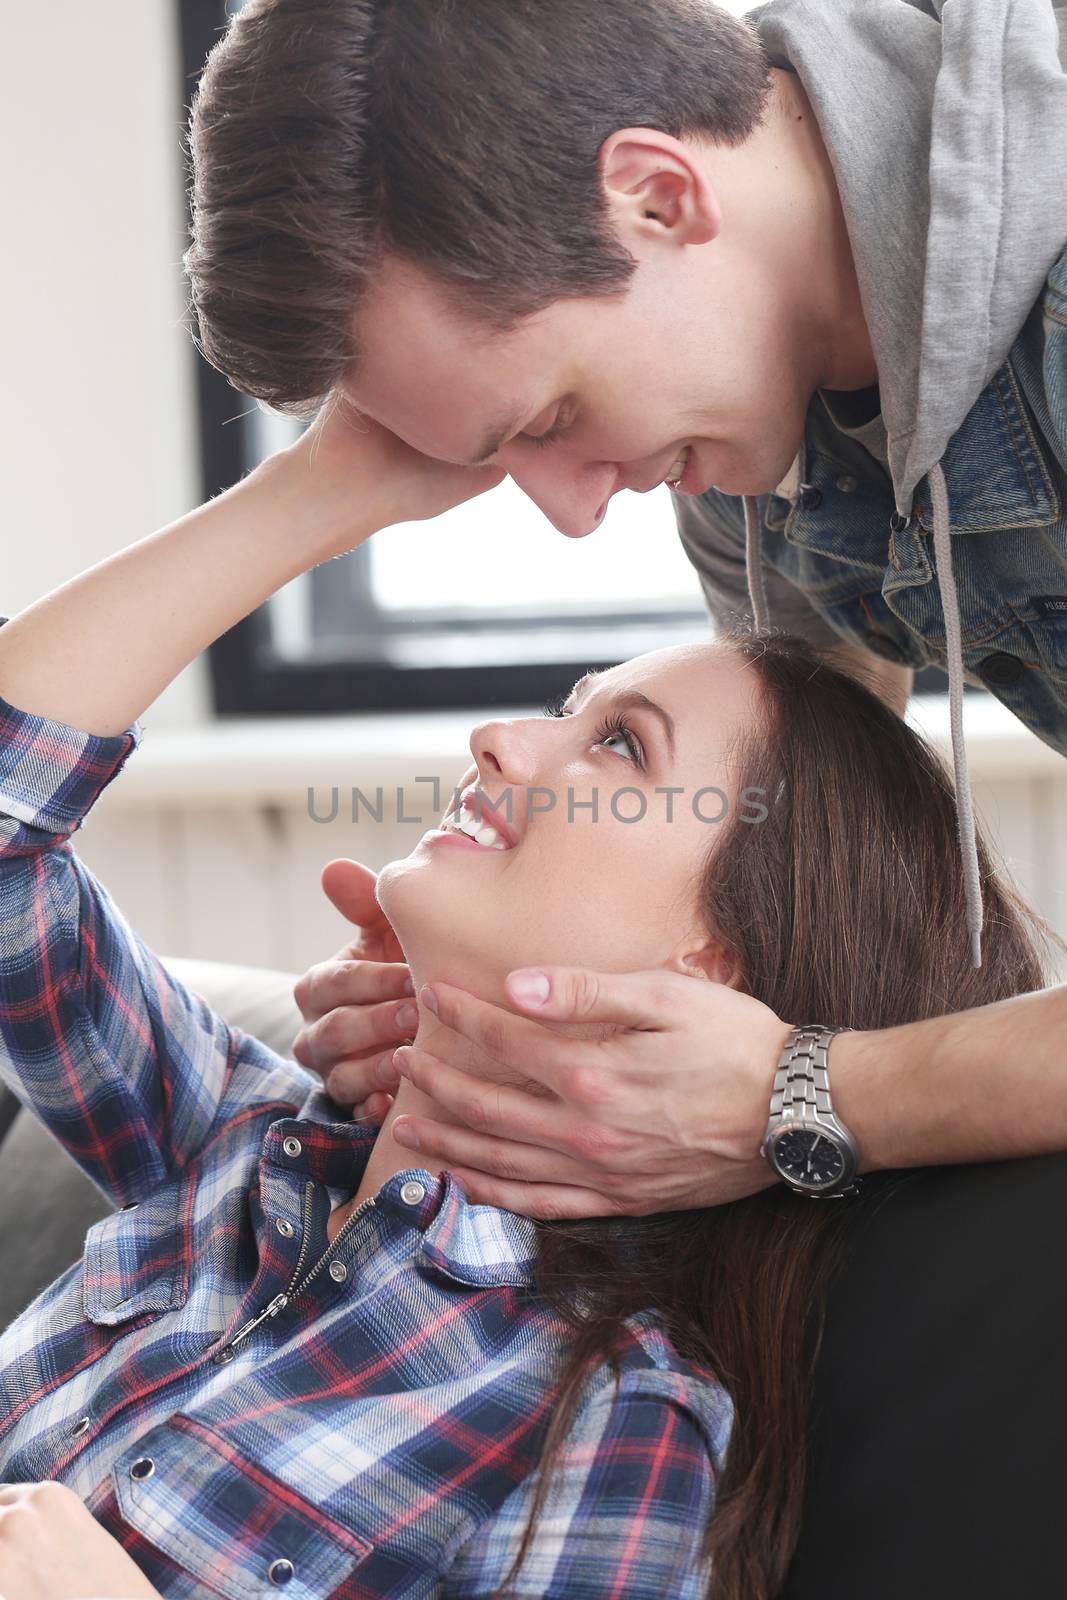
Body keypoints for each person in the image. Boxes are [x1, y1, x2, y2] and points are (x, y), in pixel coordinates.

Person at [0, 403, 1057, 1599]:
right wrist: (322, 486)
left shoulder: (607, 1413)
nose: (499, 741)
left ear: (709, 968)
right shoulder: (242, 1133)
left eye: (617, 748)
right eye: (565, 711)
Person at [182, 0, 1067, 1226]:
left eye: (547, 421)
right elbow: (796, 867)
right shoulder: (743, 461)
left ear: (657, 197)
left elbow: (798, 1001)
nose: (577, 514)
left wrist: (798, 1091)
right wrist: (486, 1007)